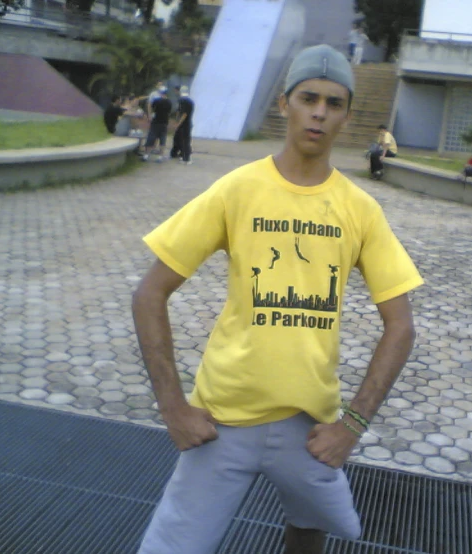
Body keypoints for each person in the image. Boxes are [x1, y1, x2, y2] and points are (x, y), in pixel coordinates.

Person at [132, 44, 423, 554]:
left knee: (310, 528)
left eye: (334, 103)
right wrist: (173, 406)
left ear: (347, 116)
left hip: (310, 428)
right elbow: (150, 293)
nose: (319, 112)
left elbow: (400, 325)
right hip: (222, 420)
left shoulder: (360, 209)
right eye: (309, 98)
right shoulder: (237, 189)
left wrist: (352, 425)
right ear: (284, 104)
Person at [142, 86, 173, 162]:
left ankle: (146, 155)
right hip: (164, 122)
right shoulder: (169, 102)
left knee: (151, 137)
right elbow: (169, 112)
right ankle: (160, 156)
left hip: (156, 121)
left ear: (160, 93)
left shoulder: (156, 101)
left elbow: (152, 108)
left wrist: (149, 115)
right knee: (162, 139)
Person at [169, 85, 194, 165]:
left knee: (184, 140)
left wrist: (178, 123)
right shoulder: (190, 101)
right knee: (180, 139)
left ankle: (186, 158)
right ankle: (177, 153)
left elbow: (183, 114)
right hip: (188, 123)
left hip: (184, 124)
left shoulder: (182, 101)